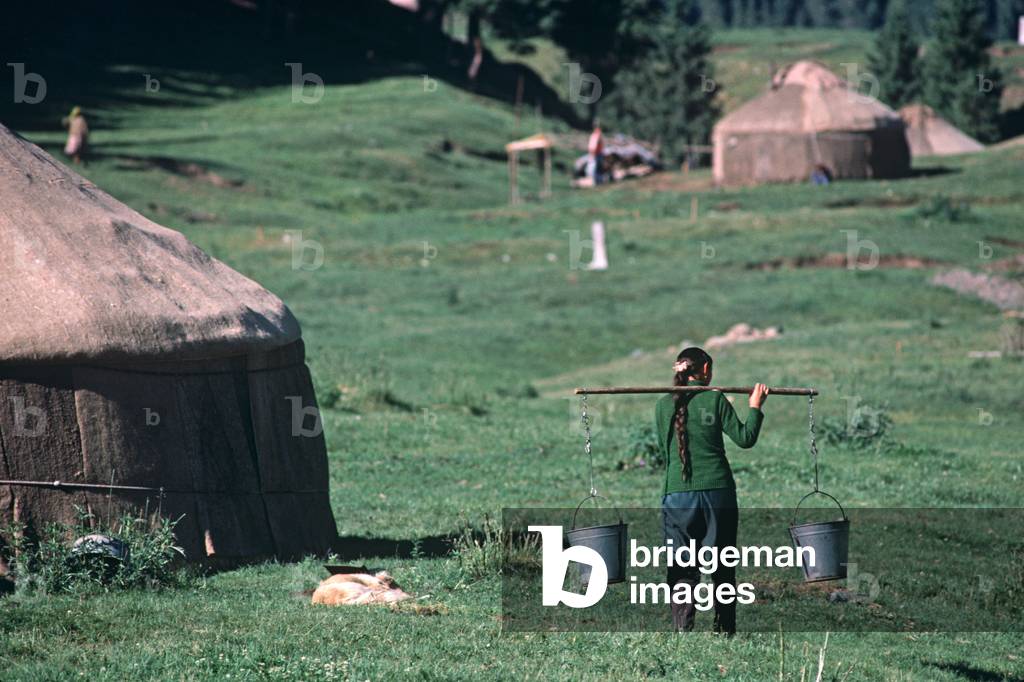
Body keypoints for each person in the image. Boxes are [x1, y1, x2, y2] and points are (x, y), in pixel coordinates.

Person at [655, 347, 768, 635]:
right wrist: (755, 406)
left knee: (681, 564)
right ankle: (724, 630)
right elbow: (745, 438)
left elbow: (665, 454)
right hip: (719, 493)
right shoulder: (715, 398)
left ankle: (683, 629)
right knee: (722, 564)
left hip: (677, 494)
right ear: (705, 370)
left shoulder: (662, 405)